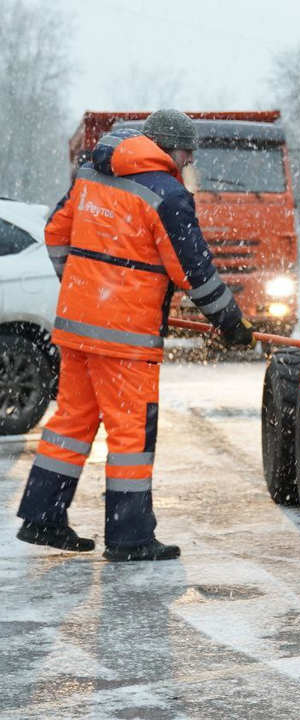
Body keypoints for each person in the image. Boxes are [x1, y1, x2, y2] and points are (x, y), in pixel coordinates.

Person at [16, 109, 256, 562]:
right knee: (131, 435)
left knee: (71, 422)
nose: (187, 163)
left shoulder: (92, 173)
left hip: (76, 327)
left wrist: (82, 288)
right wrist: (229, 322)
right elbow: (194, 272)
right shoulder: (166, 194)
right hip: (125, 338)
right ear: (169, 146)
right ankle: (130, 538)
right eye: (186, 153)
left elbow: (54, 235)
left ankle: (42, 517)